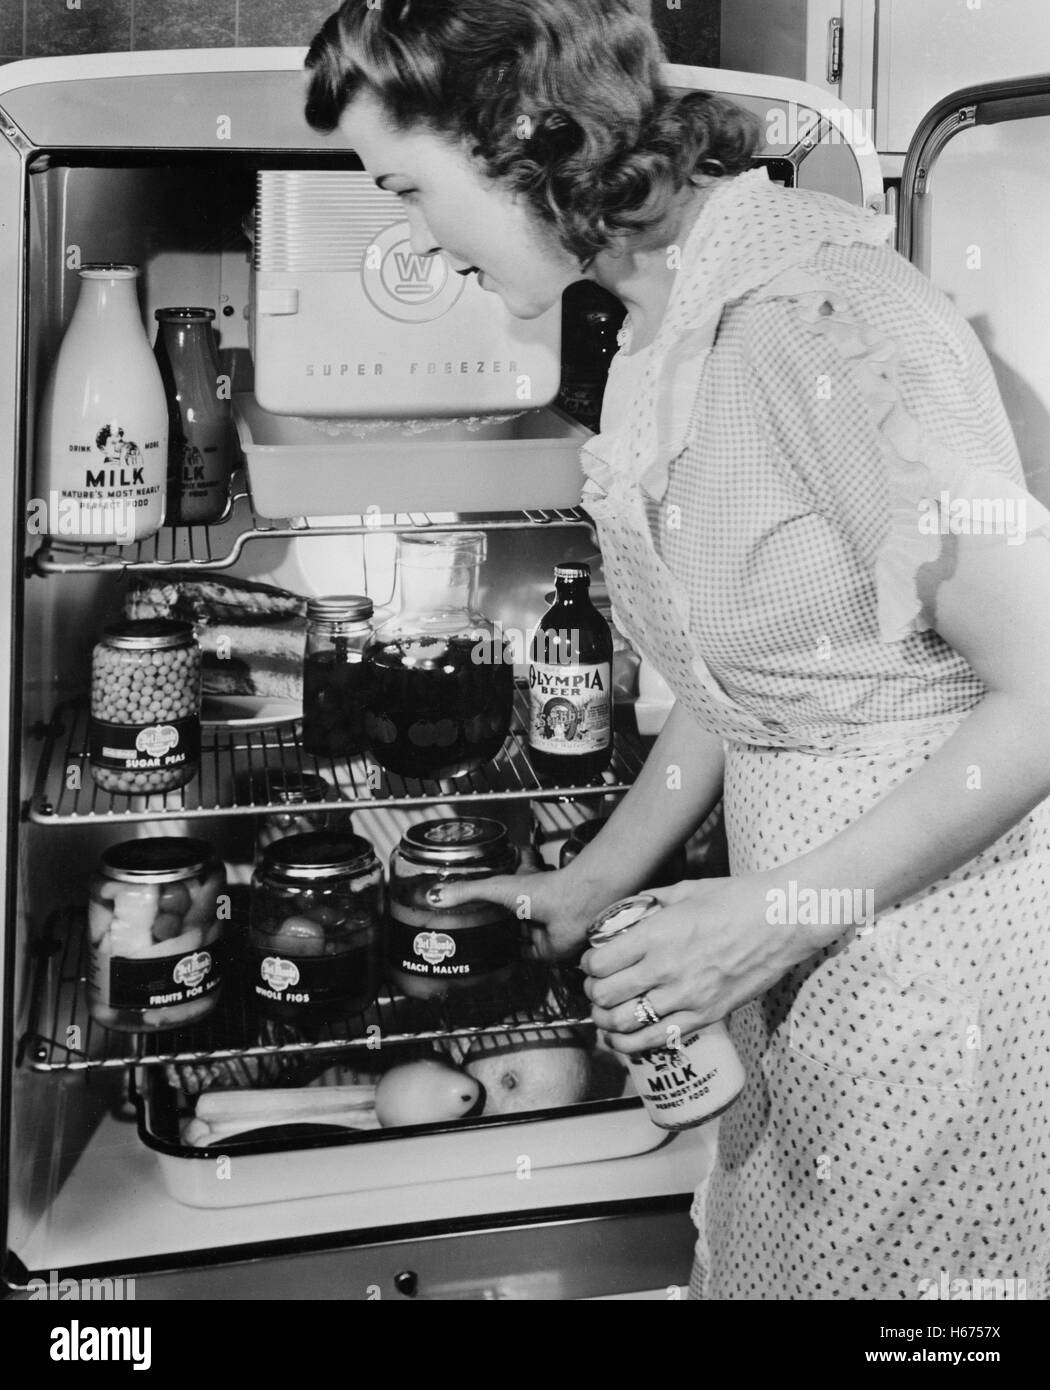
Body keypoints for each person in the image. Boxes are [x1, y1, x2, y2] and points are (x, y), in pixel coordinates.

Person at [305, 0, 1050, 1300]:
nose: (414, 235)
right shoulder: (661, 335)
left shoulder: (821, 316)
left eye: (408, 189)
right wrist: (596, 883)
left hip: (947, 981)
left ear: (512, 138)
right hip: (812, 972)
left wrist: (774, 915)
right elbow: (743, 674)